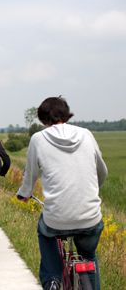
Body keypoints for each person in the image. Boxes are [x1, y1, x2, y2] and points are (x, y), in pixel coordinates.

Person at [16, 96, 108, 290]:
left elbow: (30, 174)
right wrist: (92, 188)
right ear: (66, 114)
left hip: (56, 219)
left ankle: (53, 280)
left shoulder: (38, 139)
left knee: (45, 231)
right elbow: (102, 171)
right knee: (88, 256)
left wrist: (24, 194)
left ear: (42, 119)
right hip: (90, 217)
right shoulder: (86, 134)